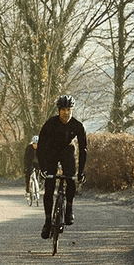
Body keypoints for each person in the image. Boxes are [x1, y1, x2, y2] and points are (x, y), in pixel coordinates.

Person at [37, 95, 88, 239]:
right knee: (49, 186)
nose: (66, 113)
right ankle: (47, 222)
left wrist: (81, 172)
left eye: (69, 110)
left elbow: (83, 149)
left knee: (70, 179)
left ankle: (69, 208)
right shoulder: (50, 123)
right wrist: (43, 168)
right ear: (59, 110)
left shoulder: (78, 126)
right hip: (51, 152)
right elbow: (40, 147)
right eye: (63, 110)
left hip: (67, 151)